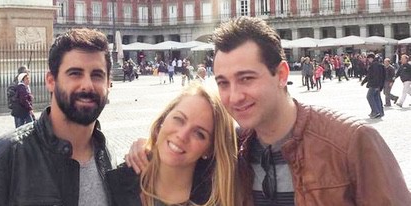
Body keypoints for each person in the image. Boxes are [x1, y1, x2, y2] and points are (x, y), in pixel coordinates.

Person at [126, 17, 411, 205]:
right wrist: (145, 148)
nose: (234, 96)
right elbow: (178, 158)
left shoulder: (351, 143)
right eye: (223, 83)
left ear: (282, 74)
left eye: (247, 78)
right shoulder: (231, 152)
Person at [0, 28, 114, 206]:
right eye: (75, 73)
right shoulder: (1, 160)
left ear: (109, 83)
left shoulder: (108, 157)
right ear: (50, 81)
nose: (87, 85)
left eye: (97, 75)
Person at [106, 83, 238, 206]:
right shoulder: (116, 185)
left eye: (199, 133)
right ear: (163, 120)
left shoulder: (219, 199)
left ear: (209, 150)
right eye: (179, 119)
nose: (182, 135)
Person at [361, 53, 386, 118]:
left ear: (371, 58)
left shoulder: (374, 65)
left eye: (368, 59)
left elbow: (373, 75)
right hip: (378, 84)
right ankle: (380, 112)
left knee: (369, 97)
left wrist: (371, 83)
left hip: (374, 84)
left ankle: (376, 111)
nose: (368, 60)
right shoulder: (379, 64)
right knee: (376, 98)